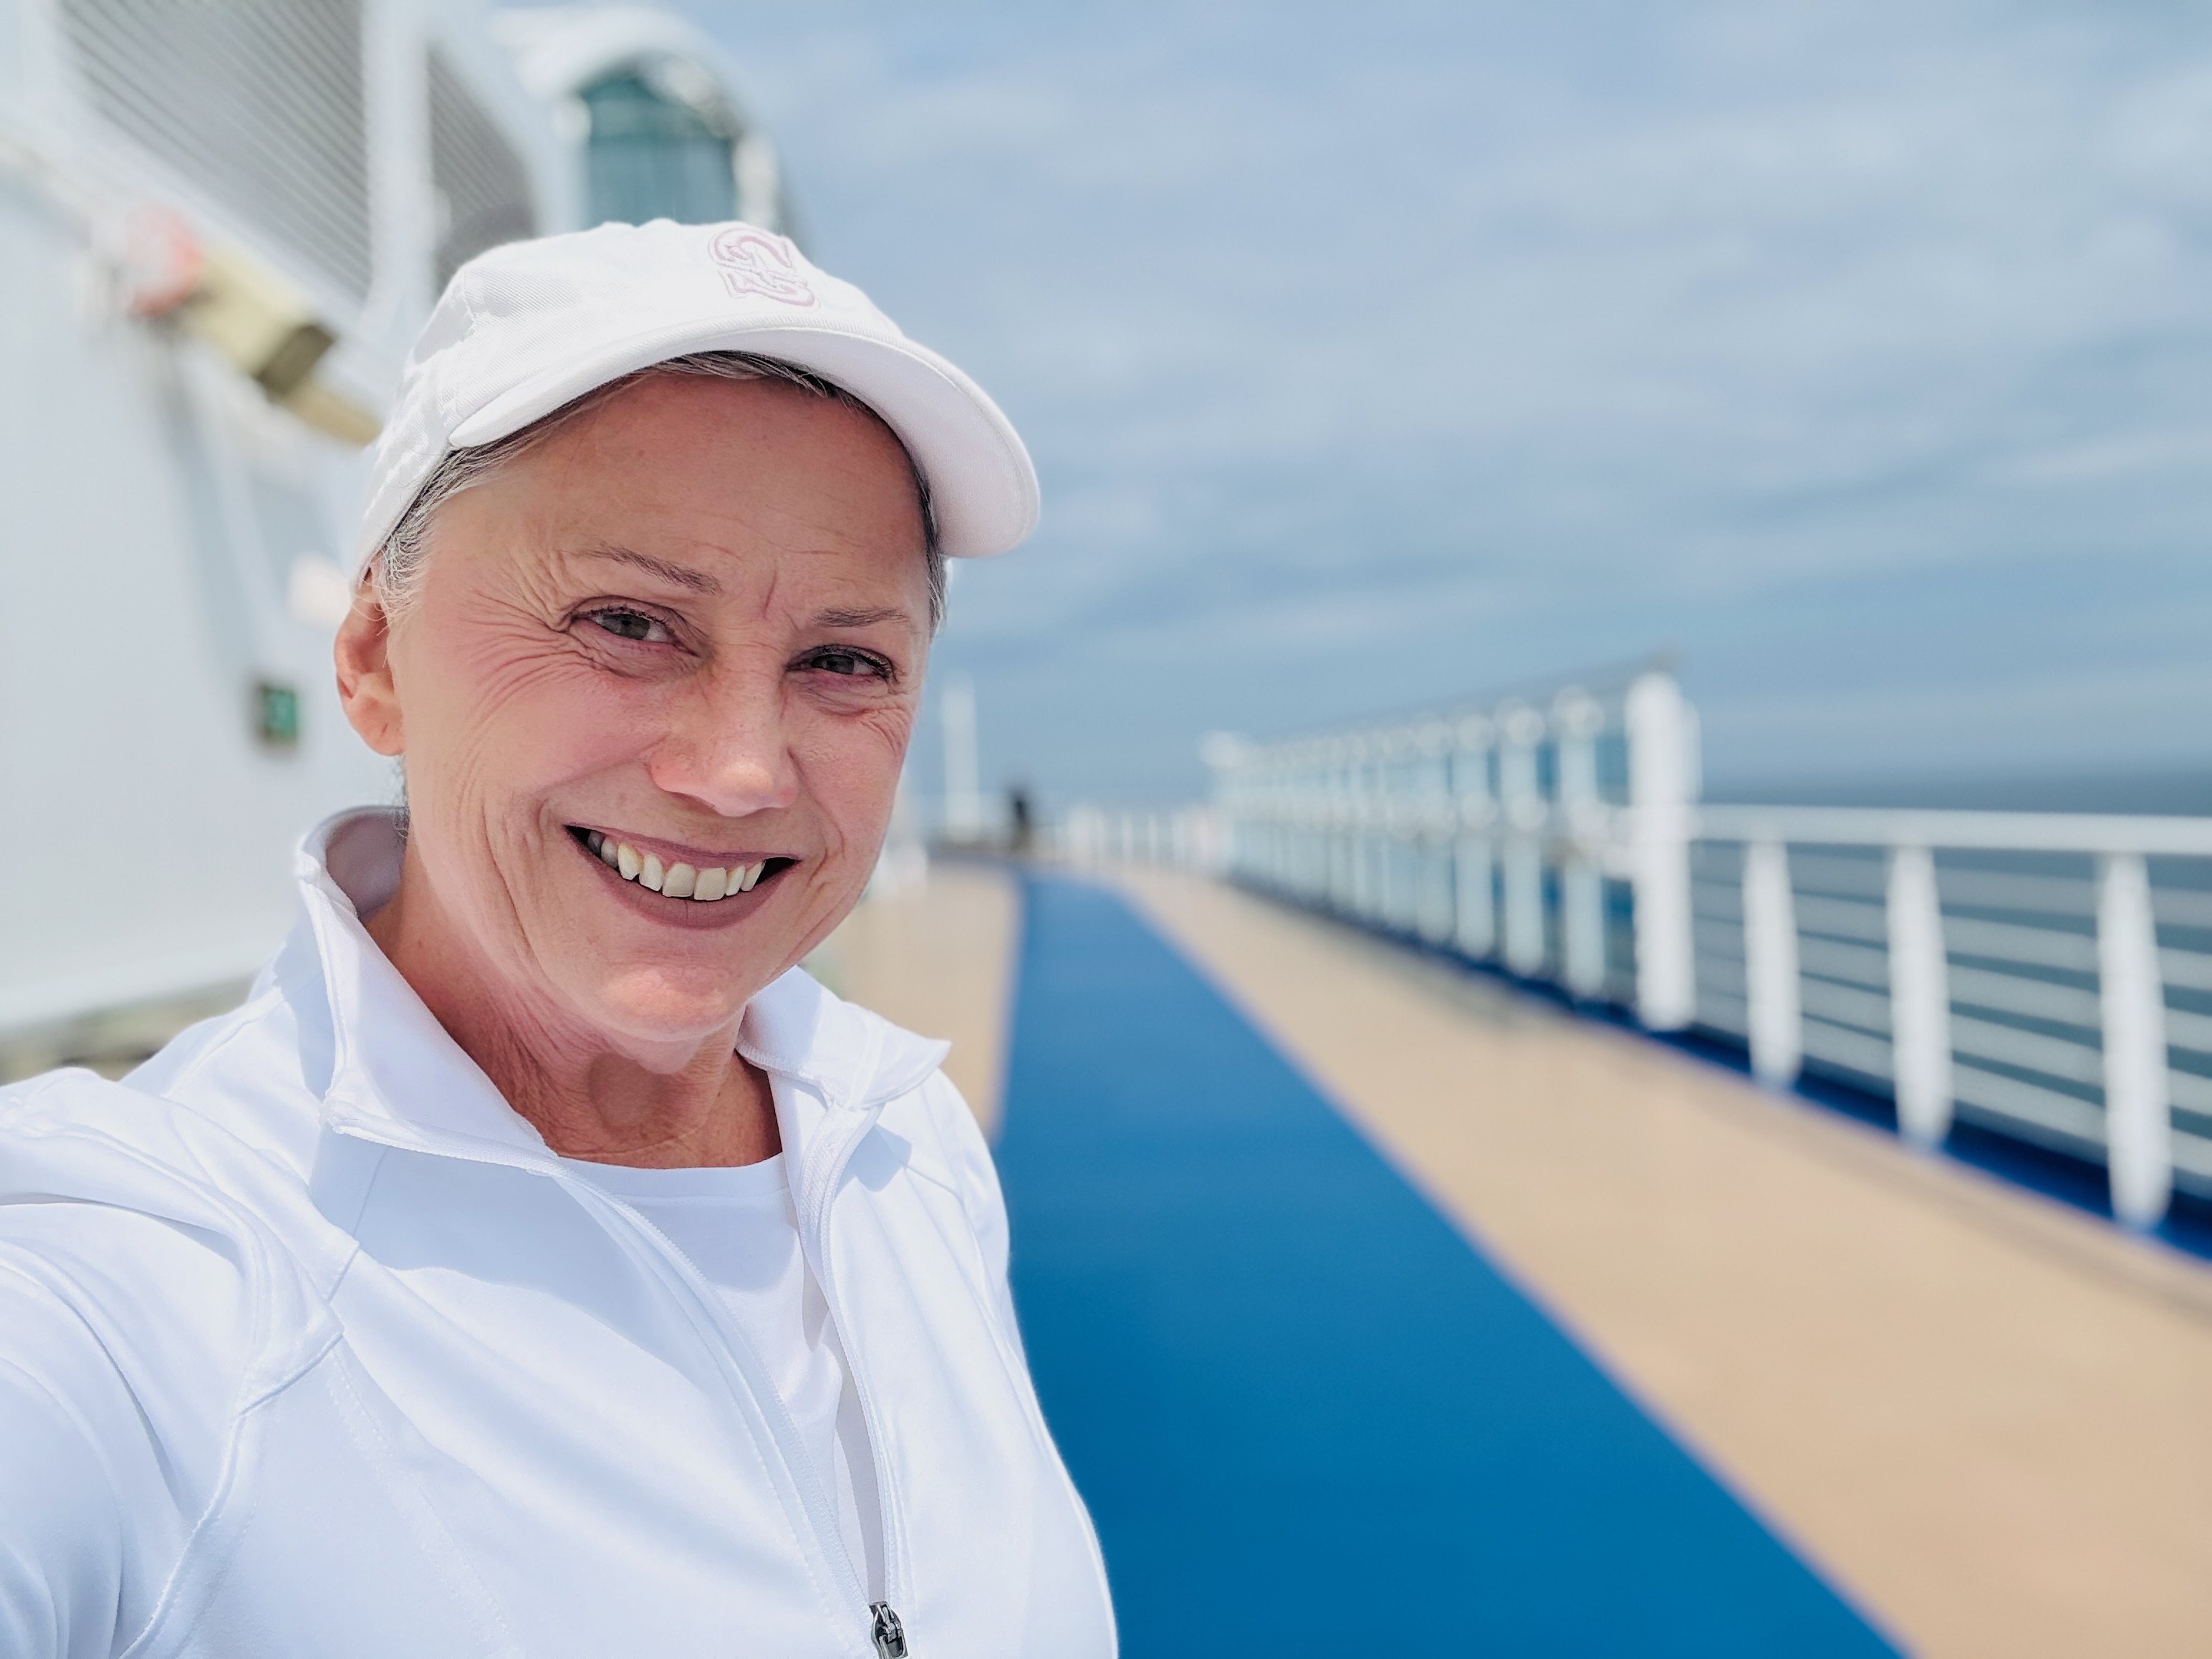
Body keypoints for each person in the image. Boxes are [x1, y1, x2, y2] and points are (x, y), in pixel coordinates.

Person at [0, 221, 1116, 1658]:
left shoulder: (901, 1143)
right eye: (628, 622)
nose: (741, 771)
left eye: (844, 659)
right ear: (375, 660)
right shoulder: (153, 1282)